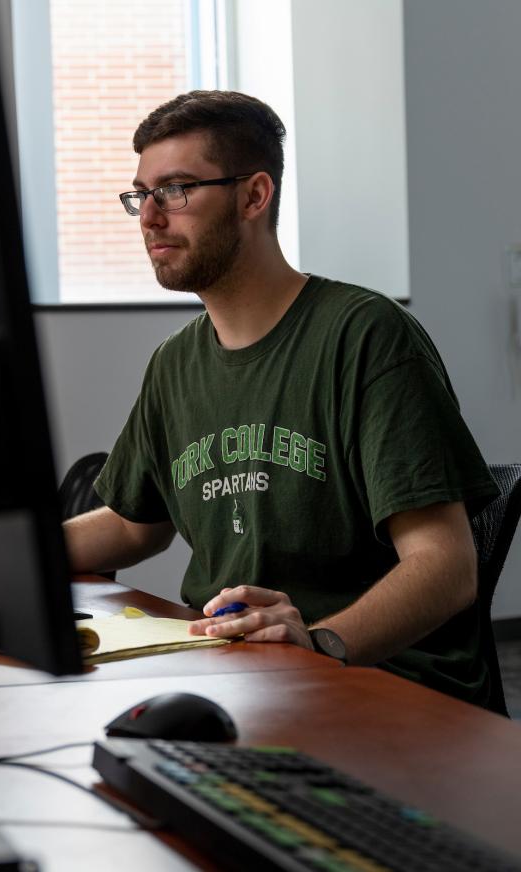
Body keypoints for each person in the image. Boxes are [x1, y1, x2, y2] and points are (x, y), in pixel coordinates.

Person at [63, 90, 499, 707]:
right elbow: (135, 526)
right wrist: (0, 560)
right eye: (142, 194)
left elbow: (447, 566)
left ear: (254, 196)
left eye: (177, 190)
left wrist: (319, 644)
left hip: (378, 684)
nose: (150, 217)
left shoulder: (364, 335)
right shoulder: (174, 363)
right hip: (236, 676)